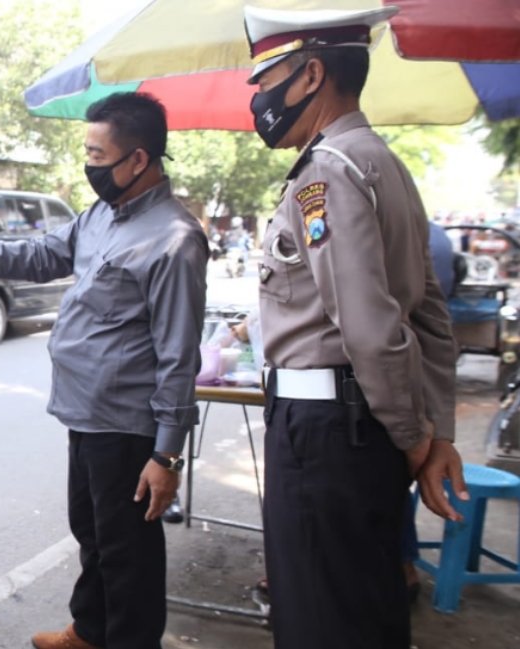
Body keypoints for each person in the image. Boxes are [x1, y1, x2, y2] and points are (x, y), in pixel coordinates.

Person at [0, 92, 208, 649]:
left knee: (128, 554)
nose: (89, 166)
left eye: (97, 155)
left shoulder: (173, 239)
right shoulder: (99, 216)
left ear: (138, 159)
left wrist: (166, 455)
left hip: (127, 426)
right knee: (92, 533)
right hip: (85, 412)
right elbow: (38, 256)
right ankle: (90, 630)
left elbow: (178, 354)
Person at [243, 6, 467, 648]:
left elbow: (372, 329)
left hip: (327, 436)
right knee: (359, 609)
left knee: (319, 618)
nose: (259, 99)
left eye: (266, 81)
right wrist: (435, 430)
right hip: (357, 434)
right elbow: (429, 313)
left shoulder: (328, 172)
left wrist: (417, 439)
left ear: (311, 73)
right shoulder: (383, 163)